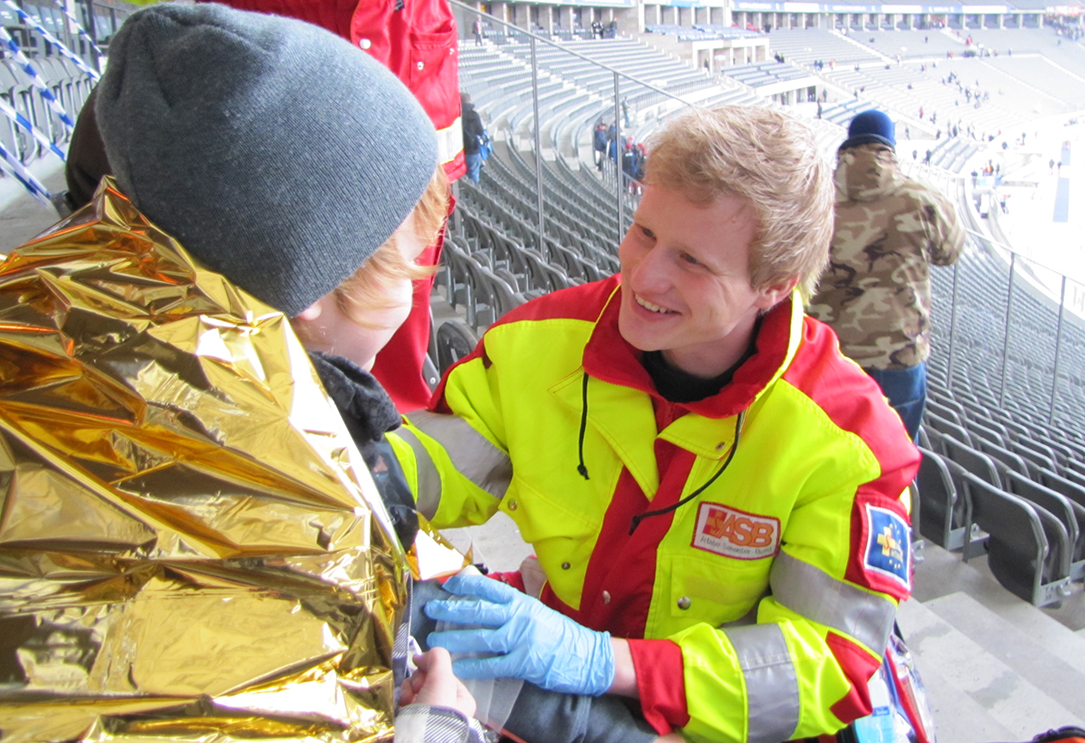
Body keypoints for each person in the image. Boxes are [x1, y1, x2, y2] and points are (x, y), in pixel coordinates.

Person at [0, 3, 482, 743]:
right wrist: (441, 729)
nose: (414, 288)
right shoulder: (282, 521)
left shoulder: (46, 318)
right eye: (406, 262)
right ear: (312, 283)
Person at [392, 106, 921, 743]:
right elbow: (437, 462)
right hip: (557, 687)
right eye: (643, 233)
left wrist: (603, 662)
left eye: (692, 261)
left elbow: (824, 665)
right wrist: (353, 459)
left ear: (773, 287)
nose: (643, 277)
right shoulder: (540, 342)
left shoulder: (851, 445)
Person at [80, 0, 462, 413]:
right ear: (309, 292)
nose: (418, 280)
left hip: (383, 124)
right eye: (408, 274)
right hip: (292, 138)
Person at [809, 109, 966, 440]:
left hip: (828, 356)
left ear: (848, 146)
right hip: (898, 354)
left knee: (830, 456)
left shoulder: (813, 198)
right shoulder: (922, 198)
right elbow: (949, 253)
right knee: (896, 457)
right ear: (889, 148)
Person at [462, 93, 487, 184]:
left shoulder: (457, 115)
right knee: (473, 174)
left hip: (461, 151)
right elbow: (480, 131)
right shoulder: (474, 115)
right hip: (473, 150)